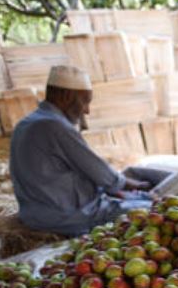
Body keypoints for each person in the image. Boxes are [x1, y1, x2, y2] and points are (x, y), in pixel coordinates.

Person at [10, 65, 153, 236]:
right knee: (152, 207)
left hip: (35, 213)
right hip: (67, 217)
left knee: (133, 199)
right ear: (67, 96)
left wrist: (118, 189)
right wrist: (133, 185)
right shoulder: (54, 126)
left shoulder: (28, 122)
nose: (87, 110)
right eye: (85, 101)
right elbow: (99, 172)